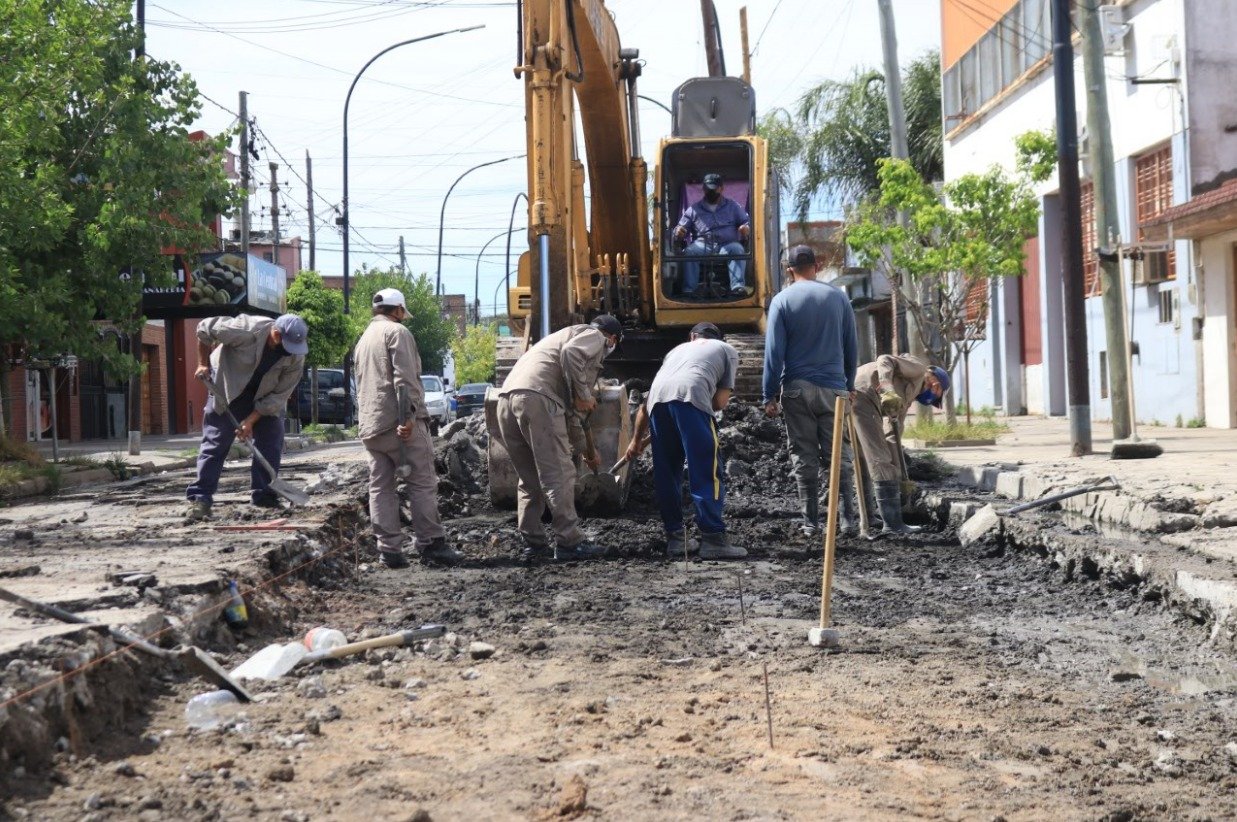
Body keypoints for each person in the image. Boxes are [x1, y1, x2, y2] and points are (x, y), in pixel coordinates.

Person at [495, 315, 621, 561]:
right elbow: (572, 353)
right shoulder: (594, 336)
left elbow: (571, 415)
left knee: (529, 478)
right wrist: (584, 394)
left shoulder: (556, 341)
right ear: (613, 339)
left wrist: (586, 450)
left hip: (507, 400)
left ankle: (534, 543)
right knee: (559, 474)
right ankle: (570, 542)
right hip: (537, 399)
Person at [354, 288, 461, 568]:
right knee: (422, 483)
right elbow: (405, 380)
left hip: (372, 426)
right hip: (399, 424)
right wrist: (409, 417)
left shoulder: (364, 339)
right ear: (398, 310)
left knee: (380, 488)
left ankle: (389, 550)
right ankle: (431, 543)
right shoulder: (397, 333)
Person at [625, 322, 746, 560]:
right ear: (719, 338)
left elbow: (644, 407)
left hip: (657, 403)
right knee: (706, 469)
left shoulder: (675, 351)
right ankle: (713, 538)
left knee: (667, 473)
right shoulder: (726, 349)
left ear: (692, 337)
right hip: (692, 397)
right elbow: (719, 403)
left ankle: (676, 539)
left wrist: (635, 441)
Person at [761, 245, 859, 538]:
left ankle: (811, 524)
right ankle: (847, 521)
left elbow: (774, 353)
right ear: (816, 266)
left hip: (797, 390)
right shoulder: (839, 298)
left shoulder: (782, 301)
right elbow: (851, 347)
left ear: (789, 270)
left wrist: (769, 394)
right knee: (838, 455)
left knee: (804, 457)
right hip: (834, 390)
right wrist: (849, 385)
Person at [186, 313, 307, 520]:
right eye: (286, 345)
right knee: (216, 442)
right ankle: (200, 498)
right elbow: (204, 328)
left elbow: (279, 395)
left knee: (272, 439)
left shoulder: (296, 355)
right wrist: (202, 363)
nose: (289, 352)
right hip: (229, 389)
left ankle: (264, 496)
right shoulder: (245, 329)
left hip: (265, 396)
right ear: (275, 334)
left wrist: (250, 421)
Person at [852, 354, 950, 535]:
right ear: (936, 384)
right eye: (936, 395)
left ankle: (870, 517)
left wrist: (899, 475)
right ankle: (893, 525)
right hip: (863, 393)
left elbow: (893, 435)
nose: (931, 400)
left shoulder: (906, 398)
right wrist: (887, 387)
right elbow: (884, 360)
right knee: (879, 459)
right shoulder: (919, 369)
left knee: (864, 458)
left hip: (858, 394)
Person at [673, 173, 751, 297]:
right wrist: (679, 231)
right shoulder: (694, 209)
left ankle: (737, 288)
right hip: (703, 246)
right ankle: (689, 290)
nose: (711, 192)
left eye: (714, 189)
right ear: (703, 189)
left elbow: (746, 222)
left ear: (721, 188)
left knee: (737, 249)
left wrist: (745, 228)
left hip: (727, 245)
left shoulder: (733, 206)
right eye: (708, 189)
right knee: (689, 252)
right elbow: (680, 228)